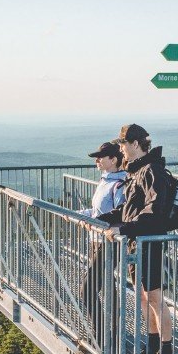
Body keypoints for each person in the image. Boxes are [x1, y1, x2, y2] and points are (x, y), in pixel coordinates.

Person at [98, 124, 173, 354]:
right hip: (136, 242)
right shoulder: (136, 171)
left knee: (154, 297)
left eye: (122, 144)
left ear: (135, 144)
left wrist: (124, 228)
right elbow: (128, 210)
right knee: (143, 297)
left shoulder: (152, 171)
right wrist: (105, 219)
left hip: (149, 241)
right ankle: (152, 348)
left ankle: (166, 352)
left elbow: (154, 212)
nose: (120, 149)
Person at [78, 142, 127, 343]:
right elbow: (98, 212)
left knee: (87, 290)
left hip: (109, 242)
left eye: (101, 156)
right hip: (97, 240)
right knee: (109, 286)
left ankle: (102, 336)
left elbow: (120, 214)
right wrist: (78, 215)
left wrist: (94, 222)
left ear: (114, 159)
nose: (97, 160)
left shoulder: (120, 183)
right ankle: (113, 333)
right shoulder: (105, 181)